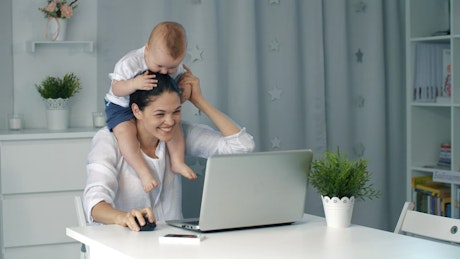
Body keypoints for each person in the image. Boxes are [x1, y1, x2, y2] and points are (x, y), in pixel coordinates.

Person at [84, 68, 255, 231]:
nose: (170, 121)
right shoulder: (108, 140)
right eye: (160, 114)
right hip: (125, 245)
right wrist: (124, 218)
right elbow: (94, 204)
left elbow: (242, 146)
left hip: (172, 246)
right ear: (137, 111)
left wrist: (199, 101)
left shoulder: (178, 134)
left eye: (176, 111)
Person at [104, 21, 195, 193]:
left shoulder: (172, 65)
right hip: (120, 104)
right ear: (147, 49)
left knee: (173, 128)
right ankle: (143, 171)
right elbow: (116, 88)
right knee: (126, 134)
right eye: (159, 66)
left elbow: (185, 79)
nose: (163, 72)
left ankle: (177, 161)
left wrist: (187, 88)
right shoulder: (130, 63)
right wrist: (133, 83)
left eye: (171, 68)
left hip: (149, 107)